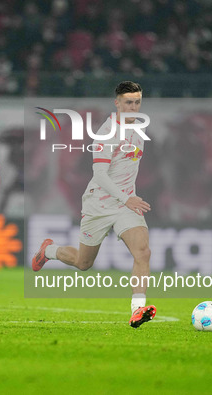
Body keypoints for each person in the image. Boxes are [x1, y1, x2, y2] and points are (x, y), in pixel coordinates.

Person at [31, 81, 156, 328]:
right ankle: (48, 250)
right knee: (83, 263)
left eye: (137, 102)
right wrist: (126, 197)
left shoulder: (138, 129)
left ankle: (137, 309)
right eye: (128, 102)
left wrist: (127, 199)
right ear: (117, 103)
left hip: (124, 206)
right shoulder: (107, 133)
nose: (133, 107)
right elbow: (100, 174)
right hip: (98, 205)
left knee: (143, 251)